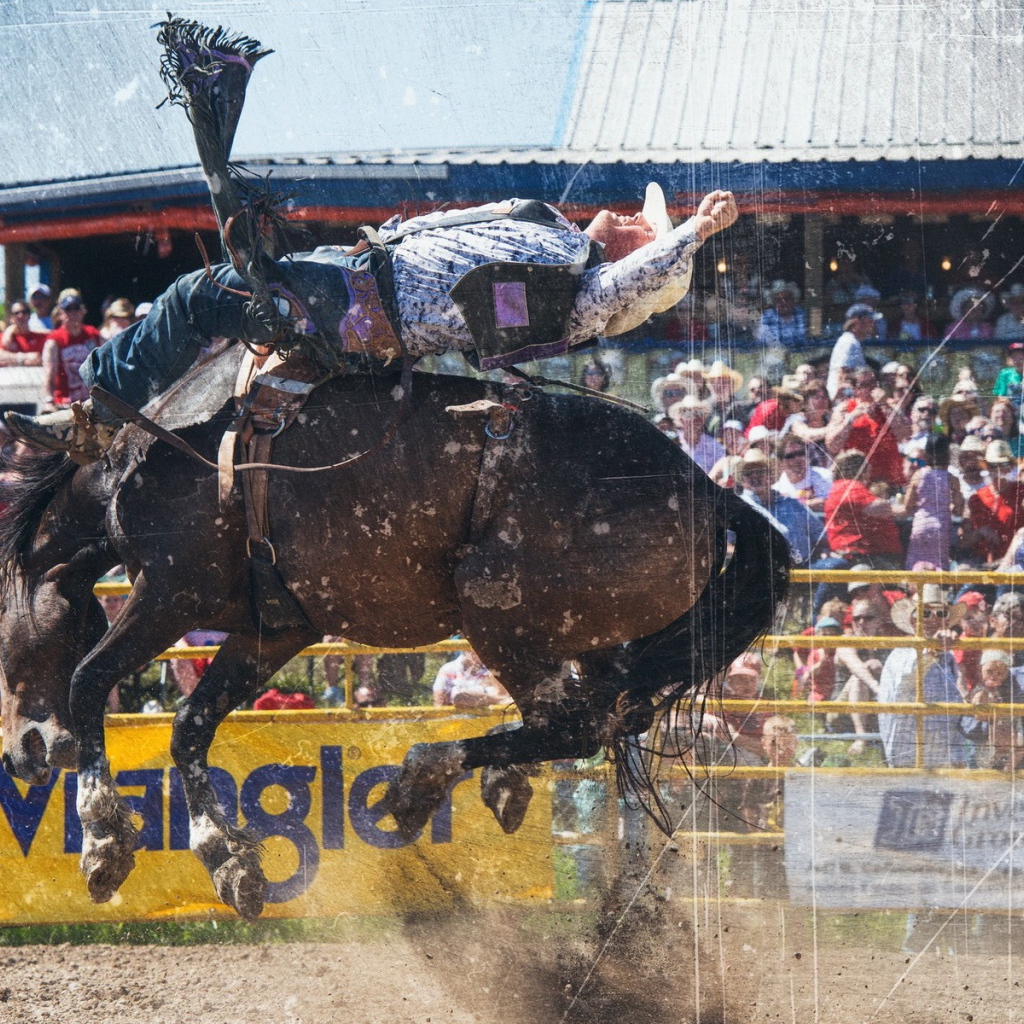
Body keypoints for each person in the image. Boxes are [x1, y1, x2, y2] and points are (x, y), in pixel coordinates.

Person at [7, 187, 741, 461]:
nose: (633, 218)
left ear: (639, 249)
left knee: (192, 296)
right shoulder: (548, 226)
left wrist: (692, 237)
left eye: (645, 227)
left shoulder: (582, 288)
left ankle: (97, 411)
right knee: (219, 289)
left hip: (355, 307)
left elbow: (622, 285)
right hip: (355, 271)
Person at [877, 585, 967, 768]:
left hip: (943, 757)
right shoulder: (901, 653)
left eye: (941, 613)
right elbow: (907, 682)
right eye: (924, 613)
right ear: (912, 620)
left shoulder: (949, 657)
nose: (933, 619)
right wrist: (934, 651)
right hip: (908, 756)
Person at [825, 367, 910, 491]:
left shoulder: (889, 405)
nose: (870, 389)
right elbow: (832, 445)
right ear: (855, 390)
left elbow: (904, 434)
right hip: (858, 481)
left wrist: (884, 406)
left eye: (873, 383)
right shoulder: (845, 409)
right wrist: (850, 419)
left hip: (890, 480)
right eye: (864, 385)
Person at [738, 448, 824, 566]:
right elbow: (726, 545)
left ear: (770, 475)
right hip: (766, 573)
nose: (755, 476)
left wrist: (824, 552)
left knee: (834, 564)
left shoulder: (791, 503)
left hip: (805, 568)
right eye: (748, 473)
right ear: (743, 479)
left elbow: (819, 533)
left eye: (760, 471)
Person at [894, 434, 962, 570]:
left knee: (915, 564)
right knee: (939, 568)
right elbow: (958, 510)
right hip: (941, 527)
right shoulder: (952, 479)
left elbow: (907, 507)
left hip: (921, 525)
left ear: (926, 454)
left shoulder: (918, 475)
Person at [40, 290, 102, 411]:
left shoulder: (93, 335)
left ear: (83, 311)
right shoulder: (54, 340)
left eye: (77, 309)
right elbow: (49, 373)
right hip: (65, 403)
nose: (73, 313)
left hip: (90, 402)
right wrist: (49, 401)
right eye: (68, 309)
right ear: (61, 314)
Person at [965, 440, 1024, 564]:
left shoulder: (1021, 491)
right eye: (992, 465)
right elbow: (966, 539)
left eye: (1003, 465)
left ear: (1011, 467)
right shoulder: (976, 499)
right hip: (983, 562)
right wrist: (981, 531)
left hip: (1016, 563)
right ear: (985, 466)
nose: (997, 470)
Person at [826, 303, 876, 400]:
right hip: (841, 400)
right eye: (870, 320)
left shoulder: (853, 341)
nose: (872, 324)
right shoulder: (849, 342)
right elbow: (843, 374)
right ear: (857, 322)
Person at [772, 436, 832, 513]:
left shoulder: (824, 475)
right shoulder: (777, 489)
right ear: (780, 463)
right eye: (790, 456)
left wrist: (793, 503)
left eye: (801, 453)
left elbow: (827, 502)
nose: (797, 459)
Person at [431, 649, 509, 708]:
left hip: (492, 718)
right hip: (458, 721)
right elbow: (439, 703)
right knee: (460, 697)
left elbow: (504, 695)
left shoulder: (493, 670)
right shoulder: (448, 669)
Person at [669, 395, 726, 474]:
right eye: (690, 414)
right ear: (681, 419)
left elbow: (724, 469)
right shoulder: (671, 441)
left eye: (700, 413)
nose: (696, 418)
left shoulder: (713, 445)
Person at [758, 280, 808, 347]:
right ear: (773, 302)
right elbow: (763, 340)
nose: (783, 303)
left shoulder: (802, 314)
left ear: (793, 299)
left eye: (786, 299)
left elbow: (808, 339)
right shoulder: (767, 316)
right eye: (778, 300)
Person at [0, 301, 47, 367]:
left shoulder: (40, 337)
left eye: (24, 312)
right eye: (16, 313)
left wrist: (10, 360)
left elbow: (42, 359)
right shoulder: (4, 337)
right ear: (11, 318)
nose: (21, 315)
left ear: (30, 315)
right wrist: (24, 357)